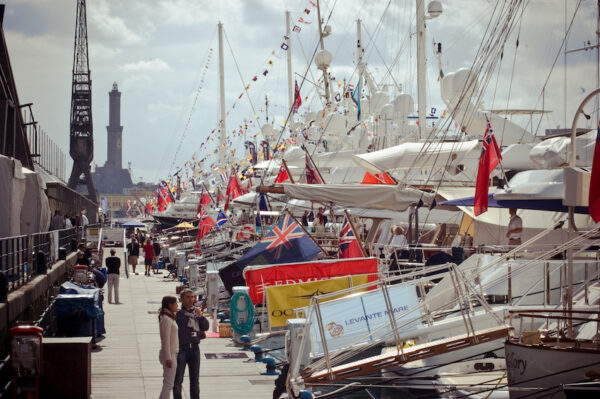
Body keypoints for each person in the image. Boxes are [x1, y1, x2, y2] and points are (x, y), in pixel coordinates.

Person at [173, 289, 209, 399]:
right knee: (178, 379)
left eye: (192, 297)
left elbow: (205, 327)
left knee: (195, 380)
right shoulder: (178, 315)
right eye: (188, 297)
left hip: (194, 349)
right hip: (181, 349)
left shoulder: (196, 313)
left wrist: (201, 316)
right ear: (181, 300)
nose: (191, 299)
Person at [159, 296, 179, 399]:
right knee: (168, 384)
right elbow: (165, 340)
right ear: (170, 305)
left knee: (168, 383)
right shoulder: (166, 319)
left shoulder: (169, 317)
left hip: (172, 353)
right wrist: (168, 358)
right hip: (169, 354)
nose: (177, 306)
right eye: (176, 304)